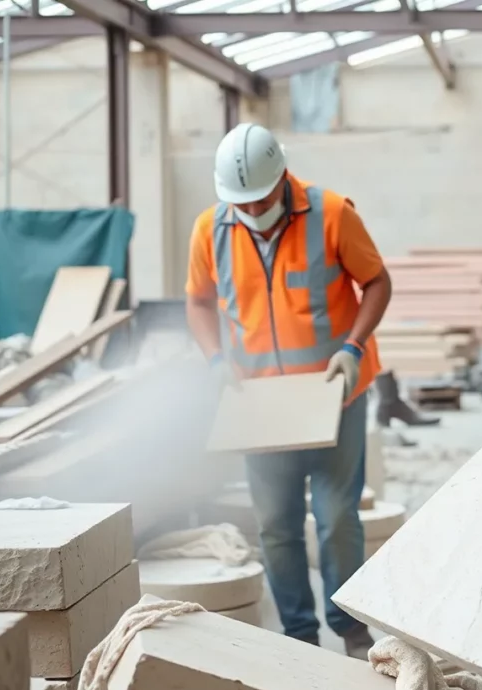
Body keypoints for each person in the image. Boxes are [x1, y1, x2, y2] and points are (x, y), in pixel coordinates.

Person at [184, 122, 392, 659]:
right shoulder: (211, 229)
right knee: (275, 524)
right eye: (241, 204)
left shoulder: (331, 214)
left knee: (336, 516)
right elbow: (199, 302)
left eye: (261, 200)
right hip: (262, 406)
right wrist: (213, 359)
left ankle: (350, 628)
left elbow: (377, 281)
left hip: (334, 394)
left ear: (282, 179)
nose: (252, 212)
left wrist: (352, 347)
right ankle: (298, 636)